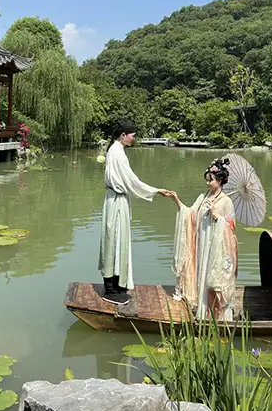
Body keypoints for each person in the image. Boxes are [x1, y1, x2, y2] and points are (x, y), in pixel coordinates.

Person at [99, 120, 170, 305]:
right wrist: (156, 191)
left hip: (115, 200)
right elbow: (132, 182)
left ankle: (116, 285)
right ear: (123, 135)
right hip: (116, 201)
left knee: (116, 241)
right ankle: (110, 289)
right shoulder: (117, 152)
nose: (133, 138)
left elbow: (130, 182)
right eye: (132, 135)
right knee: (114, 241)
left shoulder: (116, 150)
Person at [167, 157, 239, 321]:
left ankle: (217, 315)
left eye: (211, 180)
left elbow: (231, 227)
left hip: (216, 248)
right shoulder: (203, 196)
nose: (208, 184)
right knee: (202, 274)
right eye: (207, 180)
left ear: (219, 180)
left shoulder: (226, 201)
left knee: (213, 279)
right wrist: (177, 201)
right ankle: (203, 312)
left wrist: (216, 217)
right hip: (202, 244)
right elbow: (191, 214)